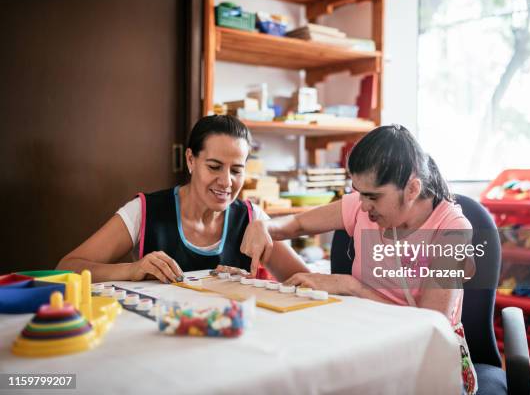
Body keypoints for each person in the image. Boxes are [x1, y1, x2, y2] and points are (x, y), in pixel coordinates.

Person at [240, 124, 477, 394]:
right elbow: (295, 223)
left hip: (426, 358)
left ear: (412, 189)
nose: (363, 205)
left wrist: (352, 286)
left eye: (373, 196)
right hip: (366, 338)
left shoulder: (452, 230)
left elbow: (430, 323)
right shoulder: (362, 205)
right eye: (359, 192)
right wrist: (264, 226)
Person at [57, 115, 308, 284]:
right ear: (190, 160)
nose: (226, 182)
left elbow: (305, 281)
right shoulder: (145, 211)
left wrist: (249, 285)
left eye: (236, 170)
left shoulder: (253, 220)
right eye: (214, 167)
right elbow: (66, 267)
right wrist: (131, 270)